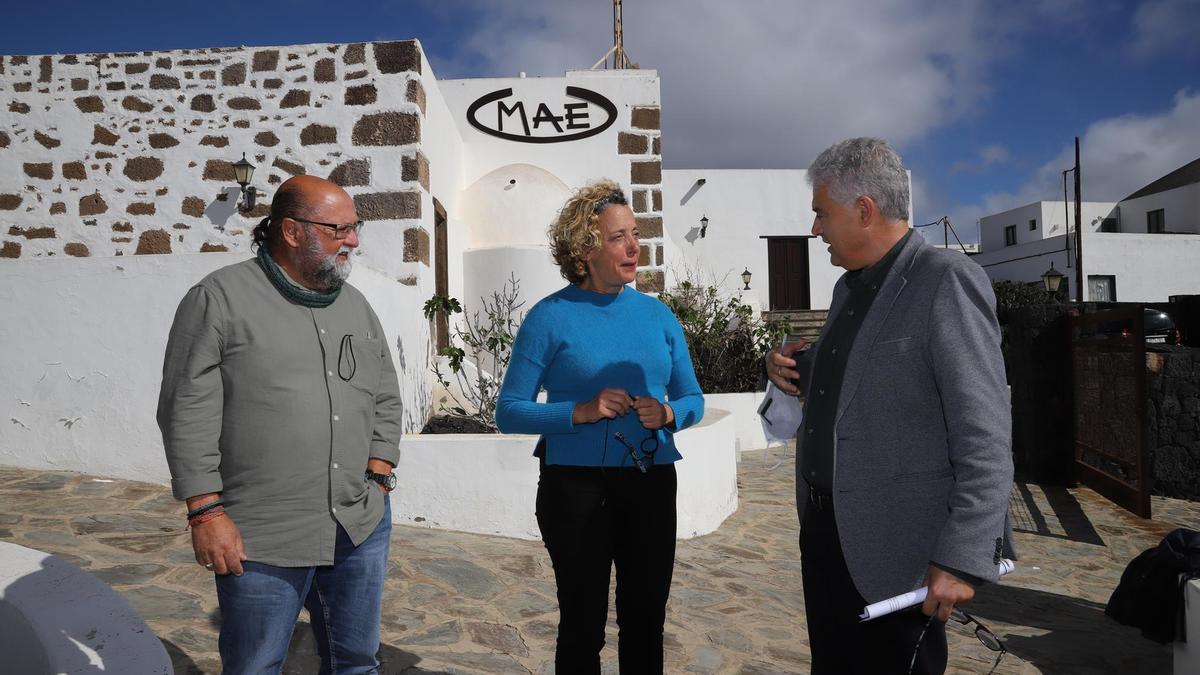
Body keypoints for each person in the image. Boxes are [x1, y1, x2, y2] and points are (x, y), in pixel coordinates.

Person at [764, 138, 1013, 674]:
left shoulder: (946, 280)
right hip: (827, 536)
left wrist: (962, 558)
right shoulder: (846, 291)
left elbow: (985, 432)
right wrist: (786, 371)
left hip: (900, 555)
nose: (815, 229)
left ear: (863, 210)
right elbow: (861, 394)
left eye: (820, 214)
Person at [157, 175, 403, 674]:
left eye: (355, 228)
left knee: (357, 661)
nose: (352, 240)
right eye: (339, 229)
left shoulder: (357, 306)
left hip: (358, 524)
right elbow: (185, 409)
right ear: (291, 232)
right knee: (256, 666)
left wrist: (378, 476)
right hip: (260, 534)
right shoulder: (218, 298)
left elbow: (385, 396)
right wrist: (205, 513)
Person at [495, 180, 705, 674]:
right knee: (581, 626)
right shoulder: (549, 317)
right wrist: (578, 412)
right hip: (574, 489)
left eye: (634, 233)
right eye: (618, 237)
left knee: (646, 623)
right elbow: (509, 410)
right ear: (585, 248)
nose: (635, 246)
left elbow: (693, 397)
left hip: (650, 482)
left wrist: (670, 414)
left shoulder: (658, 315)